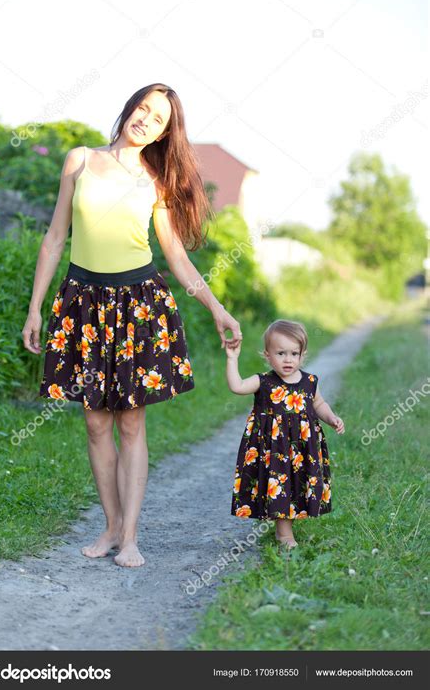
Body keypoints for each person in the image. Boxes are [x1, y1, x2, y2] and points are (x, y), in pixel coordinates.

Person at [22, 83, 242, 568]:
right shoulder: (78, 160)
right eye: (143, 108)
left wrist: (217, 308)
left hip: (138, 306)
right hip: (81, 302)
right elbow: (56, 237)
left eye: (158, 118)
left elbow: (178, 259)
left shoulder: (155, 182)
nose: (145, 119)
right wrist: (36, 307)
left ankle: (131, 538)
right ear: (129, 108)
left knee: (130, 421)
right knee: (95, 422)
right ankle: (110, 526)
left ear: (165, 132)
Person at [226, 319, 344, 548]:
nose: (288, 359)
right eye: (280, 353)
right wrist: (232, 359)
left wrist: (331, 418)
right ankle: (284, 534)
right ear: (267, 355)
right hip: (274, 449)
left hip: (302, 448)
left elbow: (318, 404)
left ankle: (286, 527)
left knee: (296, 484)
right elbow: (237, 386)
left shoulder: (310, 382)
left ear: (303, 354)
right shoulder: (264, 382)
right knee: (279, 484)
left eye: (294, 353)